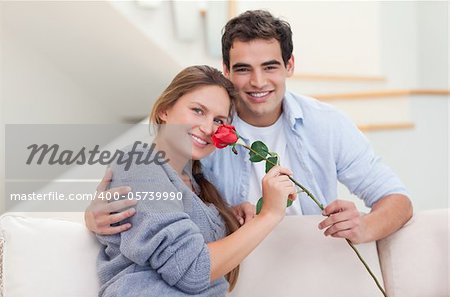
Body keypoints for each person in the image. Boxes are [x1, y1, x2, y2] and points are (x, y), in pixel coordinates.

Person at [86, 10, 412, 244]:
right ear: (226, 70)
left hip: (312, 256)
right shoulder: (202, 132)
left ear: (290, 66)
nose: (257, 82)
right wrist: (92, 215)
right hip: (235, 265)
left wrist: (364, 227)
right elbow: (147, 178)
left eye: (270, 67)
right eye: (243, 69)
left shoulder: (327, 124)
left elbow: (397, 199)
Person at [96, 65, 297, 297]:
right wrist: (269, 215)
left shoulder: (196, 181)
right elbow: (192, 269)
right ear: (164, 110)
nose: (207, 128)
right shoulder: (140, 164)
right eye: (198, 111)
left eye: (219, 120)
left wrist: (227, 215)